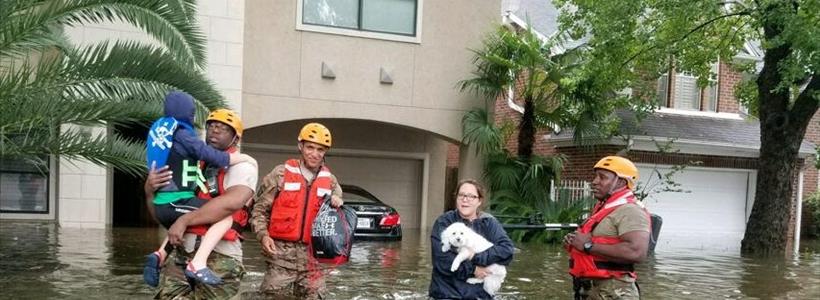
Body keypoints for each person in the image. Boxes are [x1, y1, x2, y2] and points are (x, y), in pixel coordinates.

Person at [146, 108, 258, 299]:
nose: (215, 130)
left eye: (222, 128)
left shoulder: (243, 166)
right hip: (182, 252)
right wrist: (149, 190)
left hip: (221, 256)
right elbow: (161, 215)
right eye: (212, 126)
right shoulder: (191, 163)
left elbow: (230, 204)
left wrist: (184, 221)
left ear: (235, 138)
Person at [250, 122, 344, 299]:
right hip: (280, 258)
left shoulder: (331, 182)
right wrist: (263, 235)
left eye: (320, 150)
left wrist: (337, 201)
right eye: (310, 147)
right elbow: (259, 210)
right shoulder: (280, 175)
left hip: (314, 262)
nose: (314, 154)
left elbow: (338, 222)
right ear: (300, 146)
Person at [563, 156, 651, 300]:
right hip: (591, 289)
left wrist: (587, 245)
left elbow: (637, 252)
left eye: (602, 177)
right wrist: (573, 242)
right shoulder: (603, 208)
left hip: (615, 292)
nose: (595, 182)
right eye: (596, 176)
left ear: (621, 182)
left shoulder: (630, 210)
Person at [429, 179, 515, 299]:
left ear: (479, 201)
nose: (465, 199)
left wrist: (474, 256)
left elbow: (507, 251)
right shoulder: (444, 223)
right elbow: (441, 261)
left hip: (480, 295)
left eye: (471, 196)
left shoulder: (489, 223)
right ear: (456, 198)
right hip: (447, 294)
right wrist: (473, 270)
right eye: (462, 195)